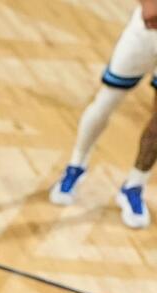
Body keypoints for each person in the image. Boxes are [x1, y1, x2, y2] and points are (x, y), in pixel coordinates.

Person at [48, 0, 157, 228]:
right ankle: (76, 165)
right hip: (146, 37)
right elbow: (150, 14)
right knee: (107, 101)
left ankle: (133, 186)